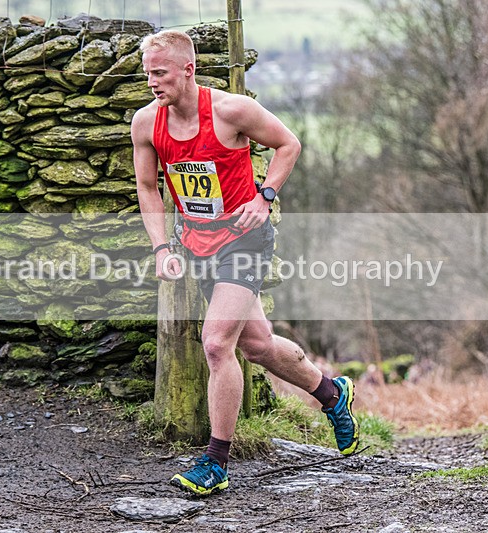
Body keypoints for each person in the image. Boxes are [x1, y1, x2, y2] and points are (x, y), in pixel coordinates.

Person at [131, 29, 359, 496]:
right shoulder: (145, 124)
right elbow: (149, 188)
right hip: (197, 245)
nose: (152, 82)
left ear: (188, 70)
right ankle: (333, 396)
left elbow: (288, 144)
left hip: (245, 241)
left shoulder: (232, 111)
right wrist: (160, 248)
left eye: (160, 72)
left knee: (216, 343)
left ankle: (215, 462)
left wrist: (265, 195)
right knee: (255, 345)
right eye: (147, 73)